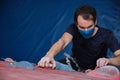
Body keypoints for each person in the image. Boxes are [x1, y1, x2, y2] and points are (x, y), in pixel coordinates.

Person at [37, 5, 120, 72]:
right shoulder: (73, 28)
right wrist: (49, 55)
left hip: (97, 69)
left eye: (89, 26)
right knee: (48, 68)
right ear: (76, 24)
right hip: (75, 65)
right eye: (82, 27)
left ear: (95, 21)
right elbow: (62, 41)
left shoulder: (106, 34)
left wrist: (109, 61)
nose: (86, 30)